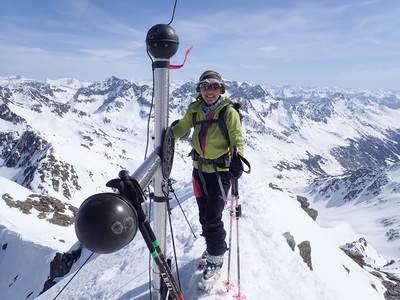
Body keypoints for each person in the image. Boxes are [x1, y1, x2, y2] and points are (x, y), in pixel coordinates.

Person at [171, 70, 244, 286]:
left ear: (221, 89)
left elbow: (237, 138)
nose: (209, 91)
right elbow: (182, 128)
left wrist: (238, 158)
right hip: (199, 170)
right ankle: (213, 247)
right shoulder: (194, 110)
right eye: (205, 86)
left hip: (221, 172)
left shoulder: (228, 112)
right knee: (204, 216)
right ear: (199, 90)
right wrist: (167, 134)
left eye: (214, 86)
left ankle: (216, 256)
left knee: (213, 216)